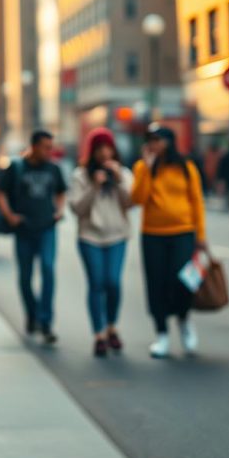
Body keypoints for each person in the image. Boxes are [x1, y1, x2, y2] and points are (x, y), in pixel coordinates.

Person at [131, 124, 206, 359]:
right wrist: (147, 170)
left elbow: (197, 201)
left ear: (169, 142)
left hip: (183, 231)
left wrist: (201, 236)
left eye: (157, 140)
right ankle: (161, 333)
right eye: (149, 140)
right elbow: (138, 199)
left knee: (182, 281)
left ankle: (183, 321)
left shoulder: (186, 167)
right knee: (156, 284)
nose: (152, 145)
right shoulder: (143, 167)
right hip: (153, 233)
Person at [0, 130, 67, 345]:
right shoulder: (17, 167)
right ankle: (32, 314)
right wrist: (9, 215)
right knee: (25, 277)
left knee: (47, 269)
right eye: (46, 147)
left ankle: (46, 322)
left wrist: (60, 210)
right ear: (34, 146)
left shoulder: (54, 169)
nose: (49, 152)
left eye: (51, 147)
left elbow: (61, 192)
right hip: (24, 229)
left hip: (47, 228)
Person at [68, 128, 134, 357]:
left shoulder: (123, 173)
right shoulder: (80, 175)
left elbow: (130, 203)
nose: (105, 153)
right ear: (93, 151)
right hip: (90, 236)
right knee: (96, 283)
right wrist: (94, 187)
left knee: (113, 282)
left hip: (117, 235)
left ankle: (112, 326)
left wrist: (117, 180)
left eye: (108, 148)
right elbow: (76, 208)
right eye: (100, 149)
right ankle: (99, 334)